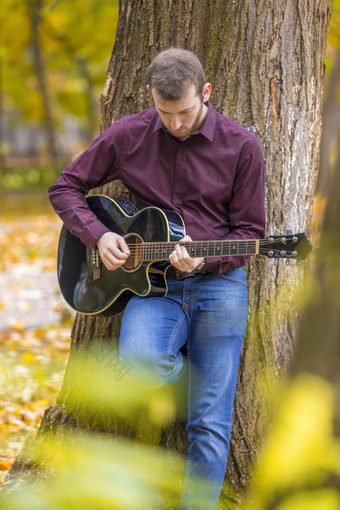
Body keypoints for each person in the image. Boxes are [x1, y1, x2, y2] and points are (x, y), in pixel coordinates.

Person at [49, 48, 265, 509]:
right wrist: (100, 235)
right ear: (151, 98)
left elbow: (249, 236)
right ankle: (204, 387)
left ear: (205, 93)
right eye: (165, 114)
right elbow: (65, 187)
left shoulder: (242, 146)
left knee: (209, 424)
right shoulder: (129, 135)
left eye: (185, 112)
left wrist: (203, 262)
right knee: (143, 364)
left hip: (219, 284)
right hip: (151, 287)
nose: (176, 124)